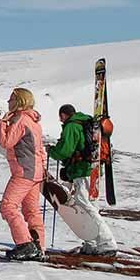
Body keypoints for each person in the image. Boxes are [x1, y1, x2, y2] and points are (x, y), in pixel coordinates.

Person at [0, 88, 47, 261]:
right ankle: (39, 247)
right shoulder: (34, 121)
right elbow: (40, 150)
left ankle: (25, 244)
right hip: (35, 172)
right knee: (32, 211)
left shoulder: (19, 119)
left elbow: (6, 142)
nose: (9, 102)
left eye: (11, 99)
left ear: (19, 101)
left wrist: (3, 123)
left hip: (23, 171)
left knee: (8, 206)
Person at [47, 104, 118, 256]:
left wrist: (51, 151)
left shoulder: (72, 126)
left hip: (82, 170)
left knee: (84, 205)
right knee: (91, 204)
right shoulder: (87, 122)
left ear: (63, 115)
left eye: (60, 116)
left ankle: (107, 243)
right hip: (94, 169)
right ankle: (91, 243)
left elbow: (64, 150)